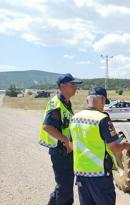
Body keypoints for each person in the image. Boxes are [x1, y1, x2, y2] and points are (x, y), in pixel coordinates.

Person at [69, 86, 130, 205]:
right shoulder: (102, 119)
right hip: (99, 175)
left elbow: (71, 146)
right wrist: (125, 146)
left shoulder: (75, 118)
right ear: (102, 99)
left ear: (88, 100)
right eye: (104, 103)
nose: (104, 106)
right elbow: (114, 147)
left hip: (81, 174)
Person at [39, 73, 82, 205]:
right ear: (62, 87)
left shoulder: (66, 103)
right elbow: (47, 126)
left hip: (66, 151)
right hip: (60, 152)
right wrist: (65, 140)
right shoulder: (56, 104)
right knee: (65, 189)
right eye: (72, 84)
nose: (76, 87)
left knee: (63, 185)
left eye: (76, 84)